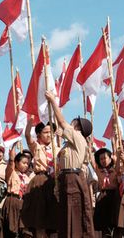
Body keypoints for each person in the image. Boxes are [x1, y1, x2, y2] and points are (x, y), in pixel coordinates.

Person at [46, 91, 95, 237]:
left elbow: (61, 122)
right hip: (66, 178)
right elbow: (59, 125)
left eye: (74, 122)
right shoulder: (69, 143)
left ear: (78, 127)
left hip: (73, 178)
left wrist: (53, 101)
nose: (71, 123)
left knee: (75, 214)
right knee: (66, 217)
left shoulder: (78, 137)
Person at [21, 118, 58, 237]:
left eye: (51, 132)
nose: (49, 135)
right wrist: (31, 120)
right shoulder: (36, 146)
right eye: (46, 132)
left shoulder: (57, 149)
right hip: (40, 182)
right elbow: (27, 135)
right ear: (39, 134)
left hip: (54, 182)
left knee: (52, 219)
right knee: (39, 218)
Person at [0, 145, 32, 238]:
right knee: (11, 231)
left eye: (27, 163)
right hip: (12, 203)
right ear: (17, 163)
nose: (26, 165)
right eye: (23, 163)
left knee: (22, 232)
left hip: (23, 204)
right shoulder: (11, 173)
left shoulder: (27, 178)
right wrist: (13, 148)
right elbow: (10, 163)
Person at [92, 147, 118, 237]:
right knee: (104, 225)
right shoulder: (99, 170)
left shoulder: (115, 169)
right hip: (103, 197)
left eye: (105, 158)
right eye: (101, 159)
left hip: (114, 196)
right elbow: (91, 160)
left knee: (115, 224)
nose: (103, 160)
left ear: (110, 158)